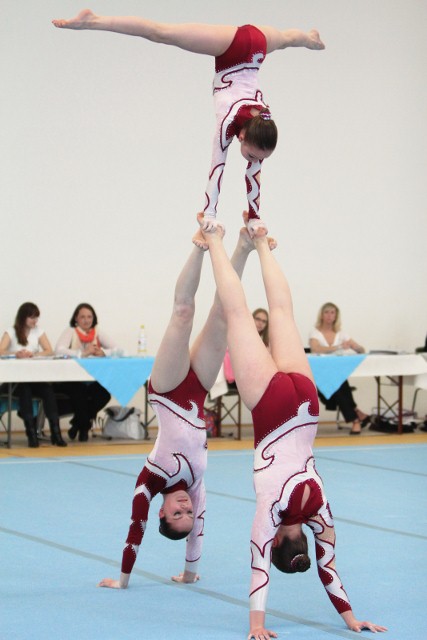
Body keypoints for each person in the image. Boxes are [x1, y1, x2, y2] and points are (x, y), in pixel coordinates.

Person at [199, 217, 387, 639]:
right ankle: (214, 239)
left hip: (306, 406)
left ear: (303, 541)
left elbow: (329, 569)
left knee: (283, 313)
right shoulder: (270, 512)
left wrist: (352, 619)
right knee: (238, 315)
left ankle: (263, 243)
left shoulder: (321, 512)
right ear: (278, 544)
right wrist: (257, 624)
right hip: (272, 408)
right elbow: (258, 569)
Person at [52, 10, 324, 233]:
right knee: (161, 33)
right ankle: (93, 21)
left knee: (286, 39)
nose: (254, 162)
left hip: (259, 45)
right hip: (233, 49)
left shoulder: (260, 130)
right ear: (241, 137)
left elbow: (254, 175)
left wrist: (256, 218)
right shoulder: (228, 122)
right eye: (253, 156)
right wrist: (210, 214)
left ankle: (309, 39)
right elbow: (216, 168)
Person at [98, 227, 254, 589]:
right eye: (188, 512)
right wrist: (188, 573)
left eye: (177, 512)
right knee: (223, 315)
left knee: (183, 313)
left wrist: (123, 580)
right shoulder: (196, 485)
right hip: (198, 389)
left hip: (167, 391)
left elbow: (135, 530)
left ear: (162, 512)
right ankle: (244, 247)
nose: (185, 506)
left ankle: (199, 247)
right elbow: (198, 532)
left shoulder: (149, 481)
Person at [0, 302, 67, 448]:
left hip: (33, 377)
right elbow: (1, 350)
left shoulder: (38, 331)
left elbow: (49, 350)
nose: (35, 321)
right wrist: (16, 354)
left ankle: (56, 433)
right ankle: (31, 434)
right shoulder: (11, 331)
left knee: (48, 391)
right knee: (25, 391)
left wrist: (34, 354)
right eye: (32, 317)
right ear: (23, 317)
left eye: (36, 317)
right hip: (15, 380)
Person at [55, 303, 116, 442]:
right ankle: (84, 428)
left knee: (104, 394)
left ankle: (77, 424)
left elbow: (118, 349)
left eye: (89, 317)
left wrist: (104, 352)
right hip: (71, 379)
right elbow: (59, 350)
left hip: (92, 379)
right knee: (80, 394)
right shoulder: (70, 331)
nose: (86, 320)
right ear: (76, 318)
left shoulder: (98, 332)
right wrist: (82, 353)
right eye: (82, 317)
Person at [309, 302, 370, 435]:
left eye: (332, 312)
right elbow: (316, 348)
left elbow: (361, 349)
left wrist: (354, 346)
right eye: (326, 312)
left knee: (338, 383)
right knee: (338, 384)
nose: (329, 315)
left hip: (336, 374)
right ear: (321, 315)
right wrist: (339, 347)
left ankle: (355, 418)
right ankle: (356, 416)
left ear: (336, 316)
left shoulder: (341, 334)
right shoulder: (315, 333)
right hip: (320, 376)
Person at [224, 307, 269, 384]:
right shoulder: (240, 333)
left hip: (254, 376)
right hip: (236, 373)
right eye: (258, 319)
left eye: (264, 321)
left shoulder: (266, 342)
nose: (260, 323)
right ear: (252, 318)